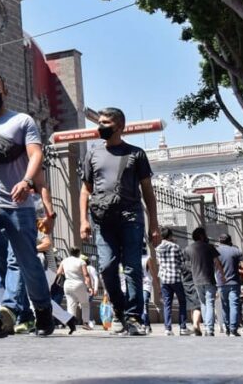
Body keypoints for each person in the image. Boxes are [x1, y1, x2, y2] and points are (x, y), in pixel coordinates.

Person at [0, 70, 57, 339]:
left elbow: (36, 154)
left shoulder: (22, 121)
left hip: (19, 205)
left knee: (28, 262)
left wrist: (27, 182)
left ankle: (42, 310)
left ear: (6, 92)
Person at [79, 106, 160, 337]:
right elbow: (86, 190)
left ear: (120, 127)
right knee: (106, 266)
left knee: (133, 267)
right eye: (100, 122)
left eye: (107, 123)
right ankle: (118, 309)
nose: (101, 126)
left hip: (131, 218)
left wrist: (153, 224)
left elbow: (148, 192)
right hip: (103, 220)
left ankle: (134, 316)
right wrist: (84, 219)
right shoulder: (92, 154)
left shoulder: (136, 154)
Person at [184, 227, 225, 336]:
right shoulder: (209, 247)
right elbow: (217, 262)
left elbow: (187, 266)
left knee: (203, 303)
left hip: (196, 280)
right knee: (210, 303)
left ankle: (207, 326)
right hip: (209, 279)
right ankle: (209, 329)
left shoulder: (188, 249)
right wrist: (222, 276)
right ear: (202, 236)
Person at [155, 227, 189, 336]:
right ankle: (183, 327)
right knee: (182, 302)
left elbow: (158, 262)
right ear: (170, 236)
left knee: (167, 304)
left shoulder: (158, 248)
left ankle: (168, 329)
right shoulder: (176, 247)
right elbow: (182, 261)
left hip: (164, 279)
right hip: (176, 278)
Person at [214, 233, 243, 336]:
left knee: (225, 305)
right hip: (234, 282)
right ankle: (233, 329)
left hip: (221, 283)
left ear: (220, 240)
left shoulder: (215, 251)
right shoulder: (236, 250)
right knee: (234, 305)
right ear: (230, 241)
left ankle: (227, 328)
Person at [56, 248, 93, 329]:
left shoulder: (65, 261)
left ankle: (70, 323)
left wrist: (66, 273)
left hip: (67, 284)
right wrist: (90, 287)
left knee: (71, 304)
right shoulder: (81, 261)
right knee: (85, 303)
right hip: (79, 284)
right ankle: (86, 323)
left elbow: (58, 272)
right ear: (79, 253)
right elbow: (86, 274)